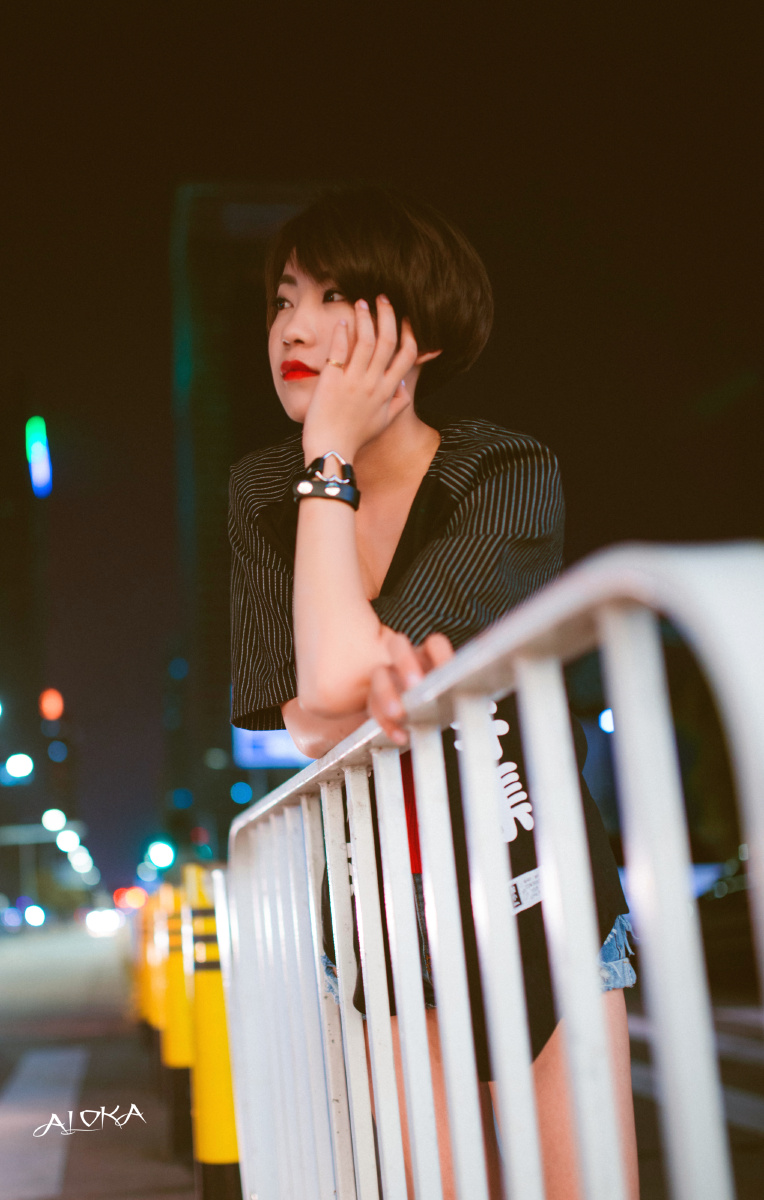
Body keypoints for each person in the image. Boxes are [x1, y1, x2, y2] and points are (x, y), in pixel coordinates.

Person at [229, 185, 639, 1199]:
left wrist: (339, 697)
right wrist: (327, 459)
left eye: (334, 296)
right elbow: (312, 708)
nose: (293, 327)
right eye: (283, 299)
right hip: (374, 918)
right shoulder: (262, 490)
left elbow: (334, 695)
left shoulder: (504, 471)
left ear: (419, 334)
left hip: (535, 894)